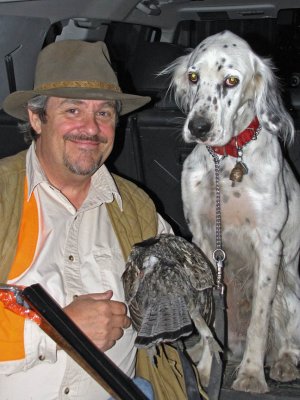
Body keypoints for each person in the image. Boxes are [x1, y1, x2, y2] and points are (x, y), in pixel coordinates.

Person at [0, 40, 172, 399]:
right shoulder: (4, 195)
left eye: (104, 113)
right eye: (73, 111)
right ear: (36, 118)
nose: (91, 129)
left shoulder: (136, 207)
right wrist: (58, 329)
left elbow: (177, 297)